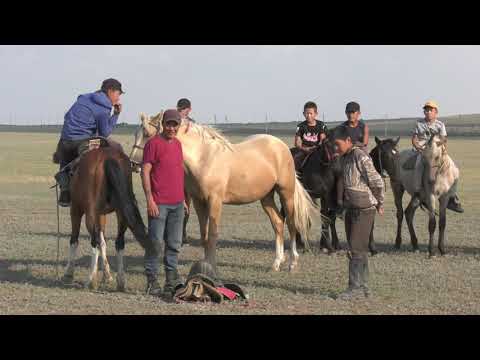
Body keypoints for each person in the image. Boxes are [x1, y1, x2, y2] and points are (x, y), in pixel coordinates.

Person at [54, 78, 125, 207]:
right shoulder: (104, 107)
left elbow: (67, 116)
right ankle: (111, 190)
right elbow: (105, 133)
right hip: (82, 143)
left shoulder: (85, 98)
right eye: (118, 94)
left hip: (65, 141)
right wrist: (115, 115)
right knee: (112, 149)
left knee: (65, 161)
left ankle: (65, 189)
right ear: (110, 91)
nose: (118, 98)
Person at [333, 125, 385, 300]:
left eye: (337, 144)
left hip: (363, 210)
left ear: (348, 141)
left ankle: (354, 288)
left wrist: (380, 203)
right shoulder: (345, 156)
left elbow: (377, 181)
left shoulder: (360, 156)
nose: (336, 148)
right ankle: (363, 287)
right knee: (359, 248)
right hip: (352, 208)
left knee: (355, 247)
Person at [142, 109, 185, 299]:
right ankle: (152, 282)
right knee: (155, 243)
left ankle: (170, 281)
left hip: (177, 203)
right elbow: (145, 172)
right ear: (163, 124)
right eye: (169, 124)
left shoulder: (178, 145)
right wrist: (150, 199)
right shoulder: (153, 144)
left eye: (175, 124)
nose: (172, 128)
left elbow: (178, 172)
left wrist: (183, 199)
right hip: (158, 203)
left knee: (174, 244)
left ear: (178, 126)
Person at [410, 101, 463, 213]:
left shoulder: (440, 124)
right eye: (426, 110)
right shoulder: (419, 123)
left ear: (436, 112)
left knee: (455, 169)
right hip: (423, 149)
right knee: (418, 164)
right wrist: (418, 147)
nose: (428, 112)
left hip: (437, 149)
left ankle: (452, 196)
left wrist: (437, 145)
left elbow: (444, 139)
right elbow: (414, 139)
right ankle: (418, 192)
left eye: (430, 110)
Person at [292, 101, 328, 170]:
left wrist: (316, 148)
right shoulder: (301, 126)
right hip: (304, 151)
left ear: (316, 114)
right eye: (306, 113)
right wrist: (304, 149)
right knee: (295, 160)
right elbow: (297, 143)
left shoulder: (321, 125)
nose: (308, 116)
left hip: (318, 150)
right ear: (303, 114)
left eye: (311, 113)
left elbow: (322, 140)